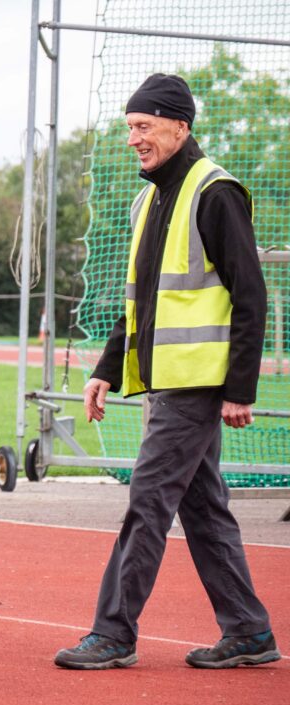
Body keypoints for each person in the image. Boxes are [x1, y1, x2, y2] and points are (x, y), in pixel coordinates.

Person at [54, 74, 279, 670]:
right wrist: (107, 369)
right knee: (202, 508)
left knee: (147, 501)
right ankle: (250, 632)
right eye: (130, 127)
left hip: (196, 386)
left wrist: (239, 388)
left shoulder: (215, 192)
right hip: (166, 382)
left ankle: (113, 633)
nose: (134, 138)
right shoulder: (149, 198)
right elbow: (143, 302)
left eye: (144, 126)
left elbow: (250, 296)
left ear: (180, 126)